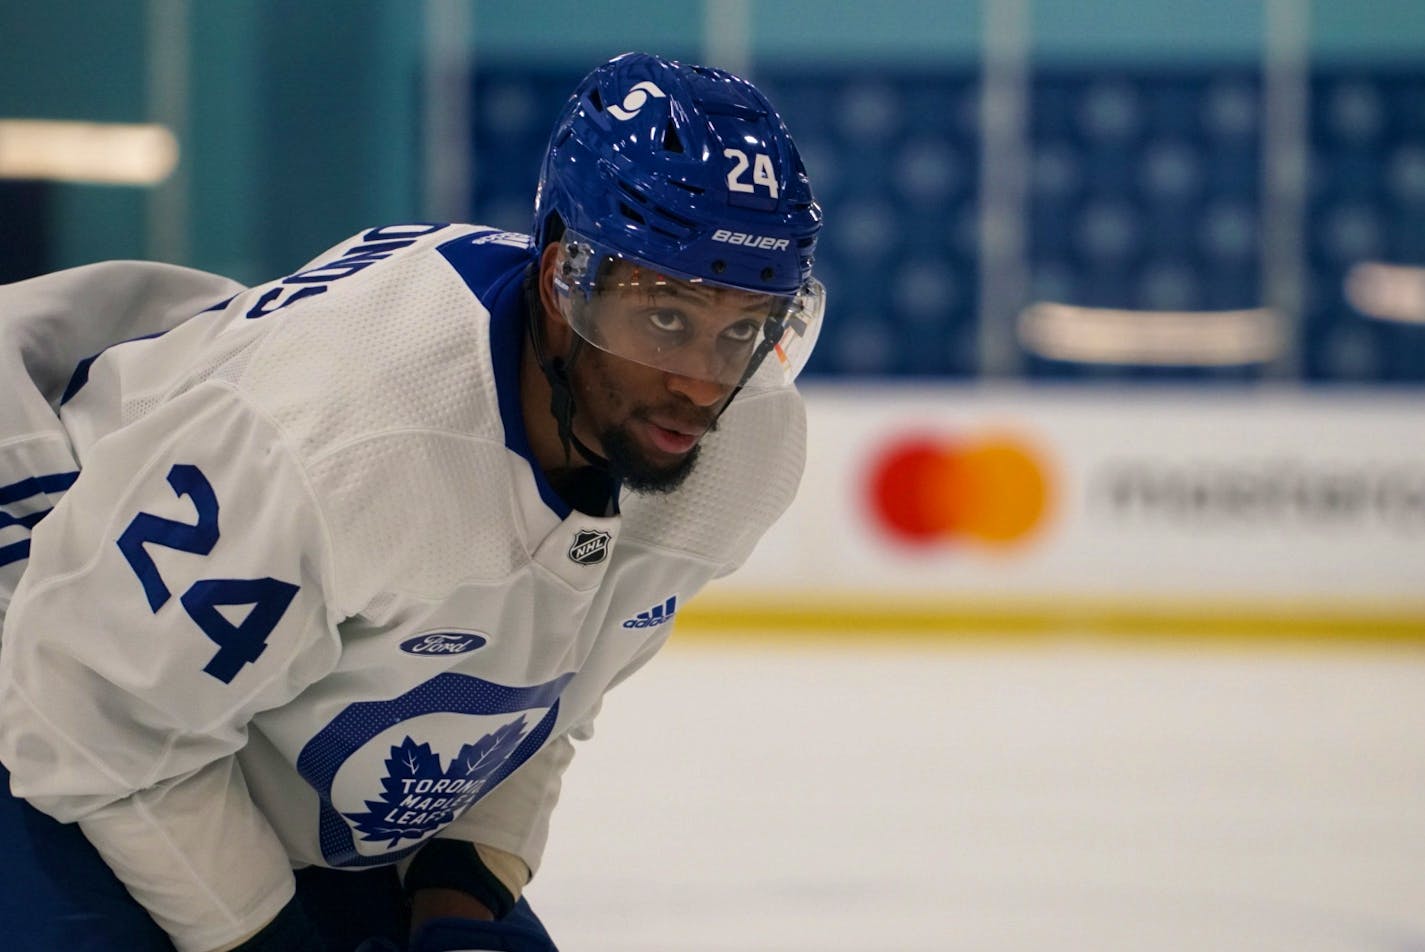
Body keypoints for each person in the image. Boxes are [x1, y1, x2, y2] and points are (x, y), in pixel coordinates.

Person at [0, 51, 824, 952]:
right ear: (561, 279)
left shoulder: (743, 446)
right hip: (42, 651)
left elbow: (543, 687)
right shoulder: (348, 436)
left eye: (745, 328)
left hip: (187, 713)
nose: (702, 387)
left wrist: (464, 886)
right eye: (666, 318)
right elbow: (83, 704)